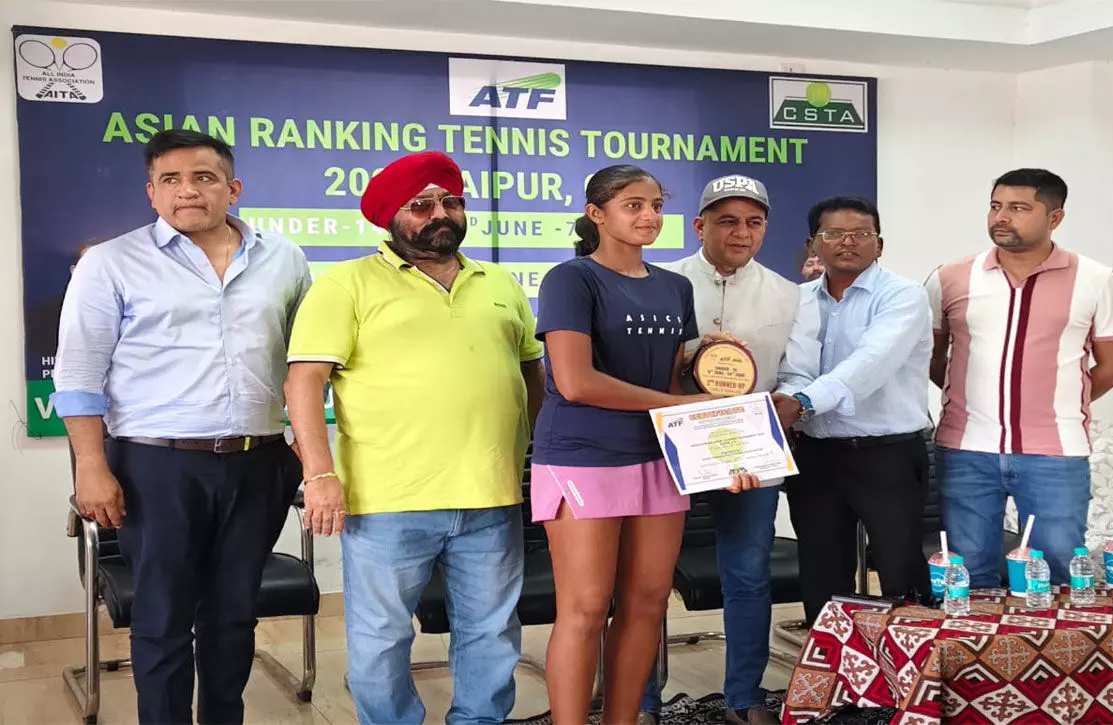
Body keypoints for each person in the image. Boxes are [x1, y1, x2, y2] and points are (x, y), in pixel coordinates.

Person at [51, 129, 311, 725]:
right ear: (152, 193)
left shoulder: (284, 259)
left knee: (234, 614)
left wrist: (307, 447)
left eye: (203, 177)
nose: (187, 190)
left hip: (259, 461)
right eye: (170, 179)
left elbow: (304, 362)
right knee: (163, 617)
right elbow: (80, 371)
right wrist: (91, 465)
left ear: (232, 188)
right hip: (155, 466)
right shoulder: (111, 262)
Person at [283, 151, 545, 725]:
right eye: (421, 205)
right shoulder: (346, 284)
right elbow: (304, 383)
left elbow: (531, 373)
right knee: (381, 638)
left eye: (451, 201)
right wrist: (319, 474)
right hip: (387, 500)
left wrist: (537, 458)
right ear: (390, 217)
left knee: (492, 631)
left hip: (493, 494)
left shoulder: (499, 282)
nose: (440, 214)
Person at [534, 165, 760, 725]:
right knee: (586, 608)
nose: (649, 216)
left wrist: (727, 447)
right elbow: (575, 382)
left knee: (647, 605)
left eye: (656, 205)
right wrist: (677, 406)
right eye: (633, 205)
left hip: (659, 458)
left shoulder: (675, 287)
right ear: (596, 214)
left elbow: (674, 385)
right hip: (583, 458)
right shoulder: (570, 279)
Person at [639, 174, 810, 725]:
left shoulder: (788, 293)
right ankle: (641, 699)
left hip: (749, 449)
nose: (741, 232)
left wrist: (789, 401)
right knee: (647, 579)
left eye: (754, 222)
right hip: (667, 445)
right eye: (727, 220)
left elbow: (799, 369)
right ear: (699, 225)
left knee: (748, 574)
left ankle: (745, 695)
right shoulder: (659, 283)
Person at [927, 168, 1113, 586]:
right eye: (996, 206)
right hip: (966, 450)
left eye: (1019, 208)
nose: (1001, 217)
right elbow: (930, 356)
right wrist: (968, 395)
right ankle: (975, 632)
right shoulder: (950, 277)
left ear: (1055, 217)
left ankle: (1050, 633)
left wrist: (1057, 402)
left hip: (1055, 454)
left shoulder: (1097, 280)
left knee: (1056, 570)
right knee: (968, 572)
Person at [775, 195, 934, 623]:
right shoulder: (798, 299)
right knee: (822, 571)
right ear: (813, 244)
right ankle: (831, 662)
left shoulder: (903, 296)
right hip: (815, 455)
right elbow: (795, 368)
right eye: (834, 234)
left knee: (901, 568)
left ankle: (910, 661)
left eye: (862, 233)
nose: (849, 242)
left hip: (887, 454)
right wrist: (790, 395)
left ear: (879, 244)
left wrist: (801, 403)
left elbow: (870, 364)